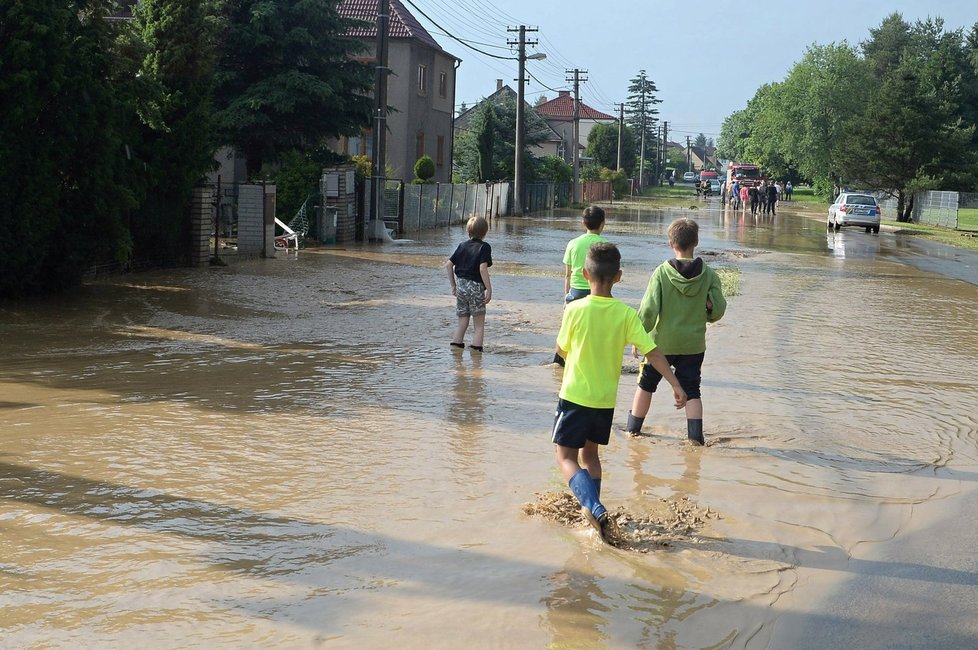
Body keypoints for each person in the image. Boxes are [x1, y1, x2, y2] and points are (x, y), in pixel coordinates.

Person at [553, 242, 687, 540]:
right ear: (619, 276)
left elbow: (561, 349)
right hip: (604, 401)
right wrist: (676, 385)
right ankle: (594, 519)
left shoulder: (573, 309)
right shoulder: (626, 315)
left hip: (575, 395)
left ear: (585, 274)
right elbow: (652, 352)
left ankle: (593, 506)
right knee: (591, 455)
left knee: (565, 458)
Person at [625, 218, 727, 445]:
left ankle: (633, 431)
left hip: (660, 345)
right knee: (692, 389)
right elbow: (718, 310)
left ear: (671, 243)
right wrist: (709, 307)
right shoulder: (709, 275)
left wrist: (638, 337)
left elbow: (649, 310)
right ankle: (695, 440)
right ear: (697, 242)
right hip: (693, 345)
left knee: (646, 384)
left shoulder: (661, 273)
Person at [553, 206, 608, 365]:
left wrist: (566, 297)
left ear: (583, 223)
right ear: (603, 224)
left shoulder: (573, 244)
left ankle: (559, 361)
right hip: (597, 292)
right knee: (595, 329)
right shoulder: (605, 245)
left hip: (576, 292)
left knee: (567, 328)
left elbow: (567, 274)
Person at [447, 216, 493, 351]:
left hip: (461, 287)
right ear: (485, 232)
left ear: (468, 231)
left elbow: (449, 265)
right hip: (475, 287)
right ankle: (476, 352)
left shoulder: (462, 246)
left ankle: (456, 350)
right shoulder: (484, 247)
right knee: (479, 324)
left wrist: (453, 286)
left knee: (462, 322)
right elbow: (482, 269)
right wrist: (489, 290)